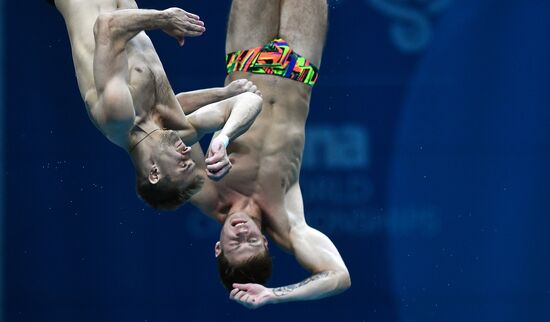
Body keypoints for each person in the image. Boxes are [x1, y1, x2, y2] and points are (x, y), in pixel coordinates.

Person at [187, 0, 351, 308]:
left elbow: (176, 129)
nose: (242, 232)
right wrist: (274, 295)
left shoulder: (204, 193)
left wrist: (213, 138)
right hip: (299, 68)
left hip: (246, 62)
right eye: (252, 241)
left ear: (218, 247)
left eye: (236, 242)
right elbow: (338, 276)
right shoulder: (287, 222)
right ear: (265, 242)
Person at [50, 0, 263, 209]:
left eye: (183, 164)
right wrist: (223, 137)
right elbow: (251, 101)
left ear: (154, 173)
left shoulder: (118, 117)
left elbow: (107, 26)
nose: (188, 152)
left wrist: (165, 18)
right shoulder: (174, 129)